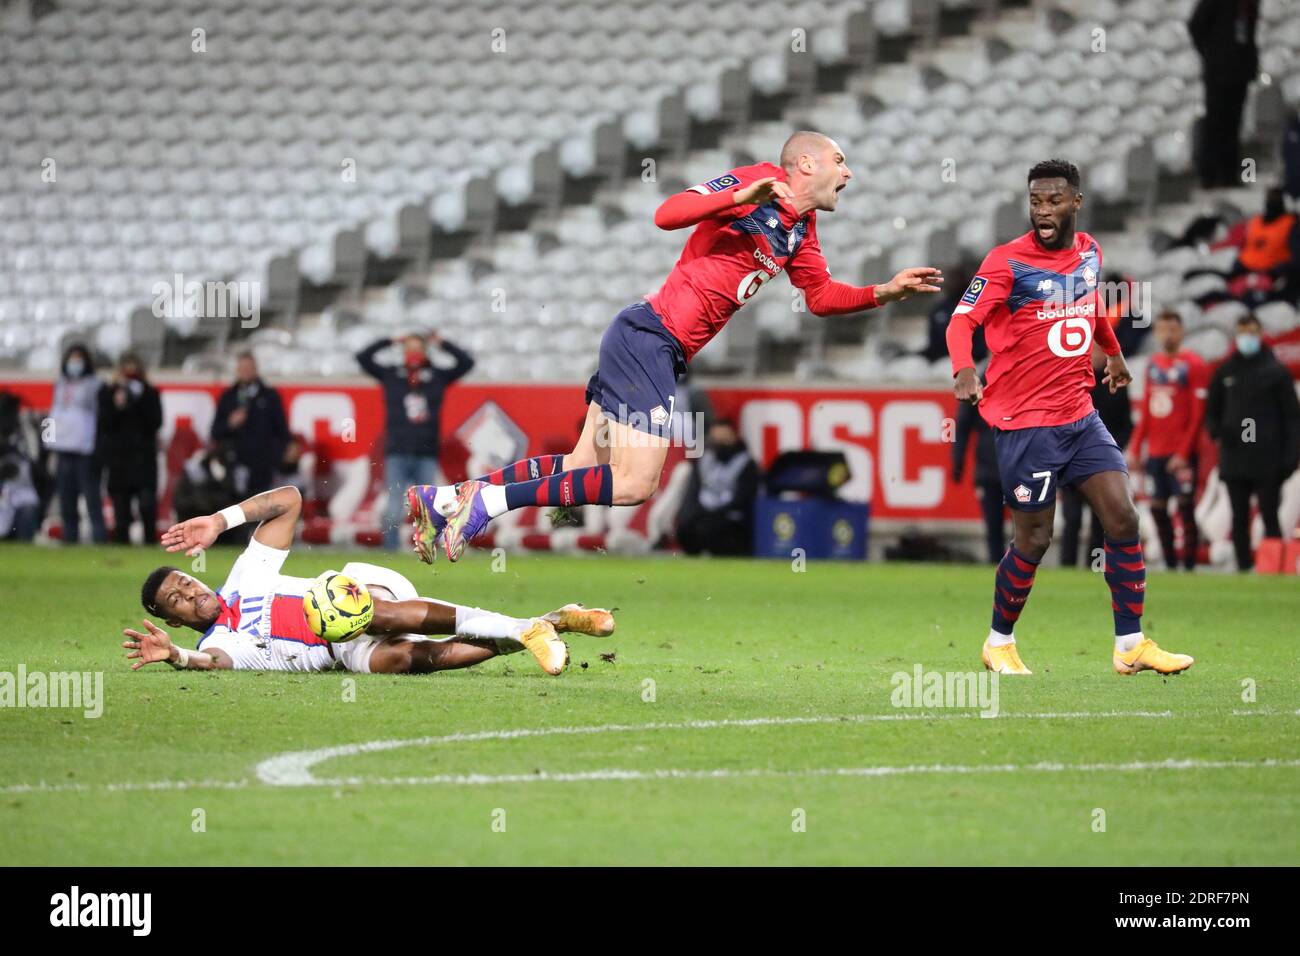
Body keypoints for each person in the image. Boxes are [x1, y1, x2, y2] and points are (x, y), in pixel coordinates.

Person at [410, 131, 942, 563]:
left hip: (650, 342)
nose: (848, 173)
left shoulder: (801, 229)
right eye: (840, 161)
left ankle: (446, 500)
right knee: (635, 483)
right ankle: (487, 503)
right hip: (651, 338)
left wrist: (884, 291)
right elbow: (667, 214)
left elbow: (821, 297)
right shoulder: (759, 180)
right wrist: (739, 197)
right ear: (805, 162)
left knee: (579, 462)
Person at [947, 158, 1194, 677]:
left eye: (1054, 200)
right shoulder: (1005, 262)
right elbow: (961, 320)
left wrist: (1115, 352)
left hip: (1079, 415)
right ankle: (998, 642)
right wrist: (964, 369)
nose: (1043, 210)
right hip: (1026, 423)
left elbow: (1090, 308)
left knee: (1123, 516)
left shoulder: (1089, 252)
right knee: (1035, 540)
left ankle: (1130, 644)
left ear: (1076, 202)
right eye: (1036, 201)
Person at [127, 485, 614, 677]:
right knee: (404, 659)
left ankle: (526, 629)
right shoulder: (224, 642)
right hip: (339, 653)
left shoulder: (243, 577)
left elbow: (291, 500)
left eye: (186, 583)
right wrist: (176, 656)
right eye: (178, 600)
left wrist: (220, 518)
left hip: (358, 589)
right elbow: (210, 663)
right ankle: (544, 625)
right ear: (172, 618)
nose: (191, 593)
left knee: (365, 614)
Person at [355, 331, 474, 550]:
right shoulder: (392, 375)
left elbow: (466, 363)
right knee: (393, 506)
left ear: (426, 351)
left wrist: (442, 343)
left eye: (418, 348)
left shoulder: (436, 376)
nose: (414, 353)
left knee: (426, 507)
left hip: (426, 451)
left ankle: (425, 549)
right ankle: (390, 551)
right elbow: (362, 358)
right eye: (409, 348)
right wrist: (388, 340)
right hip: (398, 450)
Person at [1204, 313, 1300, 571]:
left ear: (1260, 334)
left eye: (1252, 332)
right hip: (1235, 458)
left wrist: (1291, 457)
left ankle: (1274, 565)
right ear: (1236, 335)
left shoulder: (1276, 372)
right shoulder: (1225, 371)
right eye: (1243, 332)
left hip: (1268, 457)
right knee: (1239, 516)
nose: (1247, 338)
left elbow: (1292, 418)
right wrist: (1218, 433)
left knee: (1270, 513)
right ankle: (1244, 566)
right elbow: (1211, 410)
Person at [1127, 311, 1209, 571]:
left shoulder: (1193, 365)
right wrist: (1136, 446)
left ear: (1181, 331)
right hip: (1156, 452)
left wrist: (1184, 453)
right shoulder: (1153, 365)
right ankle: (1171, 564)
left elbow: (1198, 416)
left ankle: (1189, 566)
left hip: (1181, 452)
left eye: (1172, 329)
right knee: (1157, 508)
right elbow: (1148, 412)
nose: (1167, 334)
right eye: (1162, 329)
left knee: (1185, 508)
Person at [1059, 345, 1135, 567]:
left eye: (1101, 351)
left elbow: (1127, 424)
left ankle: (1093, 566)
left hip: (1102, 464)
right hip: (1072, 461)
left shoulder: (1116, 384)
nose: (1097, 356)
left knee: (1099, 520)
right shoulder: (1073, 380)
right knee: (1071, 518)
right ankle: (1067, 567)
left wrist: (1110, 450)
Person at [211, 353, 289, 538]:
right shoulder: (229, 397)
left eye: (249, 368)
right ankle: (235, 543)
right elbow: (215, 431)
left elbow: (282, 431)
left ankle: (260, 544)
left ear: (256, 370)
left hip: (262, 464)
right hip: (235, 463)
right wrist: (230, 423)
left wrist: (274, 456)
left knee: (262, 507)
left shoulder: (269, 396)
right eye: (242, 368)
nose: (245, 372)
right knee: (236, 507)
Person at [1188, 0, 1259, 190]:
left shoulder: (1250, 3)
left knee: (1234, 124)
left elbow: (1249, 33)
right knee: (1215, 123)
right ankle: (1209, 176)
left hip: (1239, 71)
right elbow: (1195, 25)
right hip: (1218, 72)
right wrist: (1211, 54)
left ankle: (1229, 174)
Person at [97, 352, 163, 544]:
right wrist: (118, 405)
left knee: (147, 507)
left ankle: (150, 545)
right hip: (119, 461)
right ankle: (121, 547)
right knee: (121, 511)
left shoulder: (150, 393)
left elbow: (155, 422)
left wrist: (139, 400)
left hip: (143, 459)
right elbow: (104, 423)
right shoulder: (108, 393)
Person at [45, 343, 106, 544]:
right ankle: (70, 541)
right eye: (72, 358)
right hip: (63, 450)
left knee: (92, 502)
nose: (75, 363)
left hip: (84, 450)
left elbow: (99, 417)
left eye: (79, 358)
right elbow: (54, 413)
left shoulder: (94, 385)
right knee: (66, 502)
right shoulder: (61, 384)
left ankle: (99, 541)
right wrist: (49, 442)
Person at [675, 420, 759, 556]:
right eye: (715, 439)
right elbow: (693, 492)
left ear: (734, 437)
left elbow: (743, 499)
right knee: (685, 527)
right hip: (703, 513)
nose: (719, 444)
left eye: (723, 439)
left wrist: (714, 514)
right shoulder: (704, 460)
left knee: (712, 529)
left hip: (730, 517)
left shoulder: (745, 463)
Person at [951, 375, 1003, 563]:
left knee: (1022, 526)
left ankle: (1017, 569)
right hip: (990, 468)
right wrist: (958, 462)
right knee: (993, 525)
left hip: (1015, 466)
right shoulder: (978, 382)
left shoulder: (1022, 375)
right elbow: (962, 426)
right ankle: (998, 566)